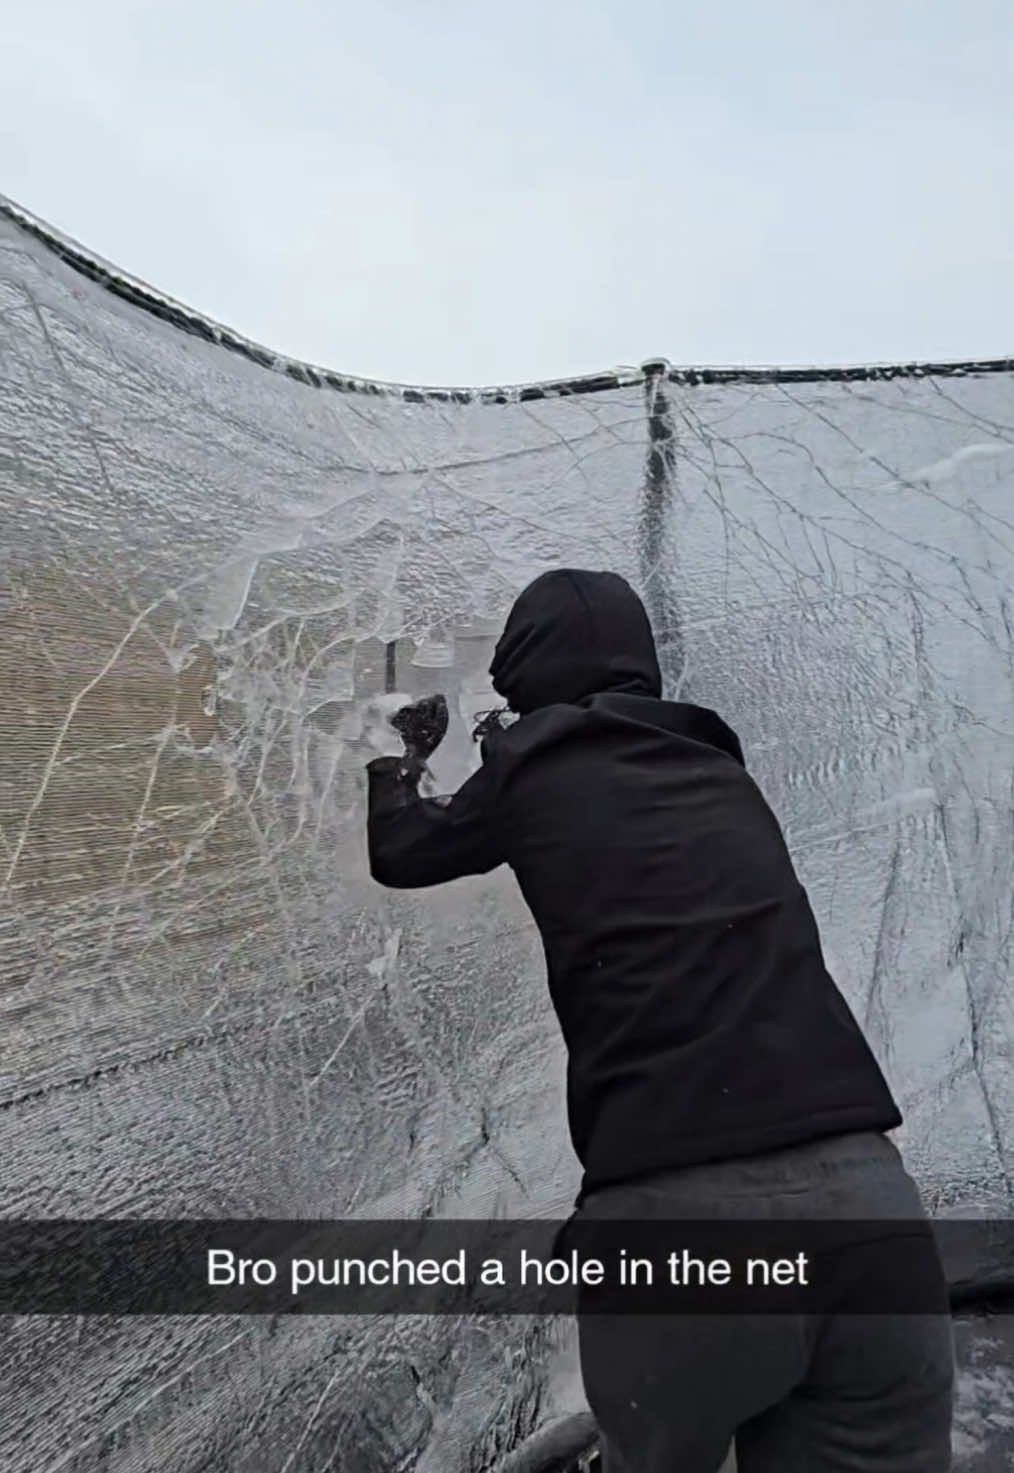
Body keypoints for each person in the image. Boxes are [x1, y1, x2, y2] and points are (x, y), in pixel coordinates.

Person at [365, 568, 954, 1472]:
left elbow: (403, 850)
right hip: (872, 1220)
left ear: (527, 682)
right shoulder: (721, 768)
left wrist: (401, 755)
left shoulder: (531, 771)